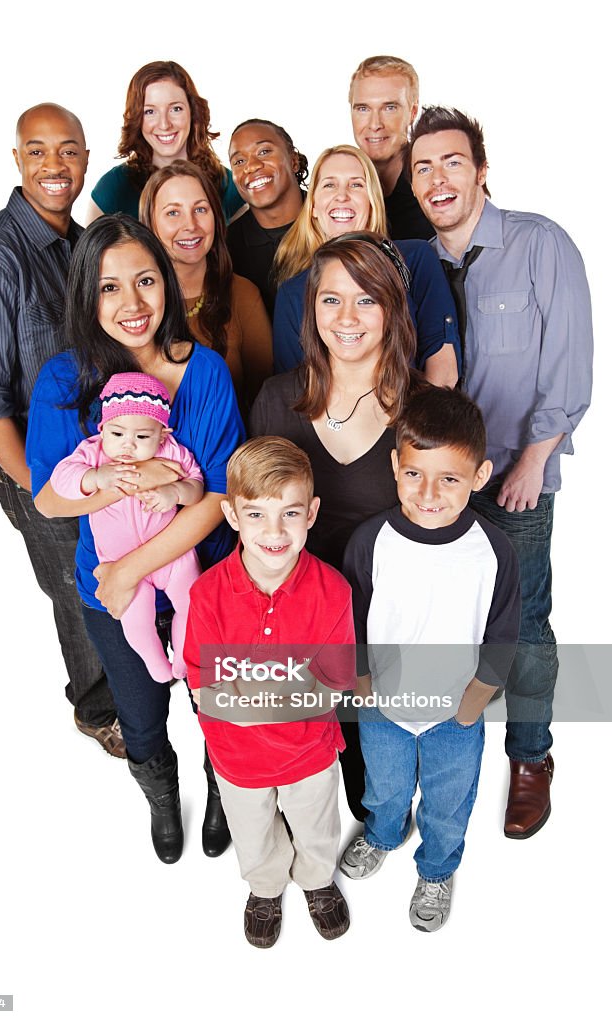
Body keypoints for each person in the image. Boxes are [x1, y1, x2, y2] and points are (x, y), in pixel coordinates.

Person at [27, 215, 245, 863]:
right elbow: (47, 495)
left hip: (200, 585)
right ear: (85, 298)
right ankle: (161, 798)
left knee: (216, 708)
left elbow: (218, 498)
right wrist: (133, 476)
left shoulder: (202, 372)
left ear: (168, 284)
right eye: (109, 287)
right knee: (143, 720)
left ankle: (220, 792)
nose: (132, 304)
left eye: (146, 281)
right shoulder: (64, 381)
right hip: (112, 602)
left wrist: (131, 570)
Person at [410, 106, 593, 838]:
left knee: (524, 625)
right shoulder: (417, 263)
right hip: (441, 487)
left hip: (517, 478)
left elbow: (571, 363)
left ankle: (532, 756)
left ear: (481, 170)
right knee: (450, 626)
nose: (437, 178)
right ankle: (455, 753)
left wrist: (534, 459)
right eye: (423, 167)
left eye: (452, 161)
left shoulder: (539, 244)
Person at [0, 103, 124, 757]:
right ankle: (98, 707)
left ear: (84, 159)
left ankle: (128, 684)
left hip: (96, 451)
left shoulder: (77, 246)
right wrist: (42, 489)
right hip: (34, 459)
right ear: (17, 159)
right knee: (75, 589)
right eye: (39, 150)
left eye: (69, 150)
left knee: (105, 577)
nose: (55, 164)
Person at [251, 235, 421, 820]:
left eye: (366, 300)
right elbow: (257, 523)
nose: (346, 318)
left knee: (375, 786)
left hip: (387, 627)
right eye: (331, 300)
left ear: (393, 308)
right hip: (300, 624)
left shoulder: (423, 410)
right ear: (312, 308)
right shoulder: (276, 400)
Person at [341, 387, 520, 931]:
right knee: (385, 784)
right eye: (415, 473)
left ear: (480, 476)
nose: (430, 493)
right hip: (384, 706)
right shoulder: (371, 541)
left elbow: (504, 633)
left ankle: (438, 868)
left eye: (450, 479)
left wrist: (473, 703)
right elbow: (351, 616)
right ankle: (383, 832)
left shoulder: (493, 551)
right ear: (396, 465)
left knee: (447, 800)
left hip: (454, 715)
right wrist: (363, 683)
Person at [184, 437, 355, 948]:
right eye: (256, 514)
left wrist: (248, 701)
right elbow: (204, 688)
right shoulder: (208, 593)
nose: (274, 532)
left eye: (290, 513)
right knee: (253, 834)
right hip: (237, 760)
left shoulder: (332, 591)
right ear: (231, 514)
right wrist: (282, 697)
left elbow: (334, 684)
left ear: (312, 513)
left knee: (318, 829)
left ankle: (319, 882)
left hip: (311, 754)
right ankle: (264, 888)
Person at [50, 372, 203, 683]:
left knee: (192, 601)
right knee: (136, 618)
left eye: (142, 437)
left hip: (171, 556)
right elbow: (60, 480)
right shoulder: (93, 454)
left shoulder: (172, 452)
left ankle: (184, 658)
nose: (127, 446)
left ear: (162, 434)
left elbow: (197, 486)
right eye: (117, 434)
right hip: (119, 561)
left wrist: (174, 493)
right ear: (102, 428)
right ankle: (155, 663)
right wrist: (94, 478)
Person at [272, 145, 459, 386]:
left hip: (415, 417)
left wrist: (411, 424)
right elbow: (295, 389)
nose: (342, 195)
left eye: (356, 184)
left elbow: (442, 368)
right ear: (314, 207)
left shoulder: (416, 258)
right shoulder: (293, 293)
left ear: (372, 201)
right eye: (329, 185)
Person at [139, 161, 273, 412]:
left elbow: (264, 403)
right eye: (172, 212)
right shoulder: (133, 302)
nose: (190, 225)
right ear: (150, 224)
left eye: (200, 209)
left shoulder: (243, 295)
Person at [88, 60, 243, 224]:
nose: (164, 124)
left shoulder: (229, 186)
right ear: (137, 119)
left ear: (193, 111)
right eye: (150, 111)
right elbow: (90, 249)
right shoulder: (112, 188)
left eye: (175, 109)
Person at [227, 119, 308, 318]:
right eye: (239, 161)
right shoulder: (227, 248)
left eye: (264, 151)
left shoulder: (335, 217)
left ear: (293, 160)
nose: (252, 166)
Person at [349, 54, 432, 240]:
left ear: (412, 112)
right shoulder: (336, 186)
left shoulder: (436, 182)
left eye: (389, 108)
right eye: (363, 109)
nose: (374, 124)